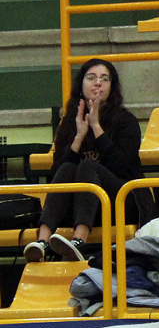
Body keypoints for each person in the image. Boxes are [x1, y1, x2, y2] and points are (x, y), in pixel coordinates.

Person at [24, 59, 142, 263]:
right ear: (81, 84)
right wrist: (78, 137)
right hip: (78, 206)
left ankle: (78, 241)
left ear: (111, 87)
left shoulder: (126, 121)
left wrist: (96, 127)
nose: (98, 83)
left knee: (87, 166)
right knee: (69, 167)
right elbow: (57, 173)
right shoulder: (70, 122)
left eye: (104, 79)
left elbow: (122, 166)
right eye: (91, 78)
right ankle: (42, 242)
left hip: (118, 203)